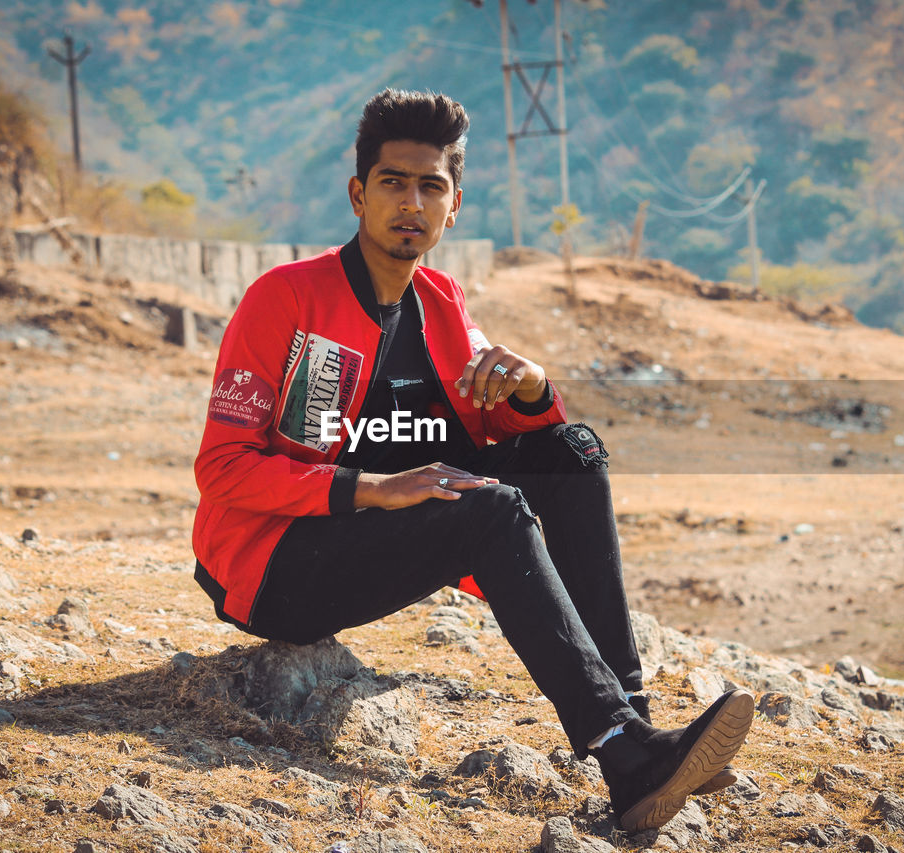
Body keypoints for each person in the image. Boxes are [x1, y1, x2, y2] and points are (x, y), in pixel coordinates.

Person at [192, 88, 753, 832]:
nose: (411, 202)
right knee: (490, 508)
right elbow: (223, 467)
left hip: (381, 538)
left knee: (572, 452)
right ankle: (626, 750)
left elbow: (510, 441)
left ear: (453, 207)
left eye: (432, 186)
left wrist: (530, 385)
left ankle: (639, 732)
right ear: (359, 195)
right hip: (275, 566)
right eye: (393, 182)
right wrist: (375, 488)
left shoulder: (441, 302)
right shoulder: (286, 299)